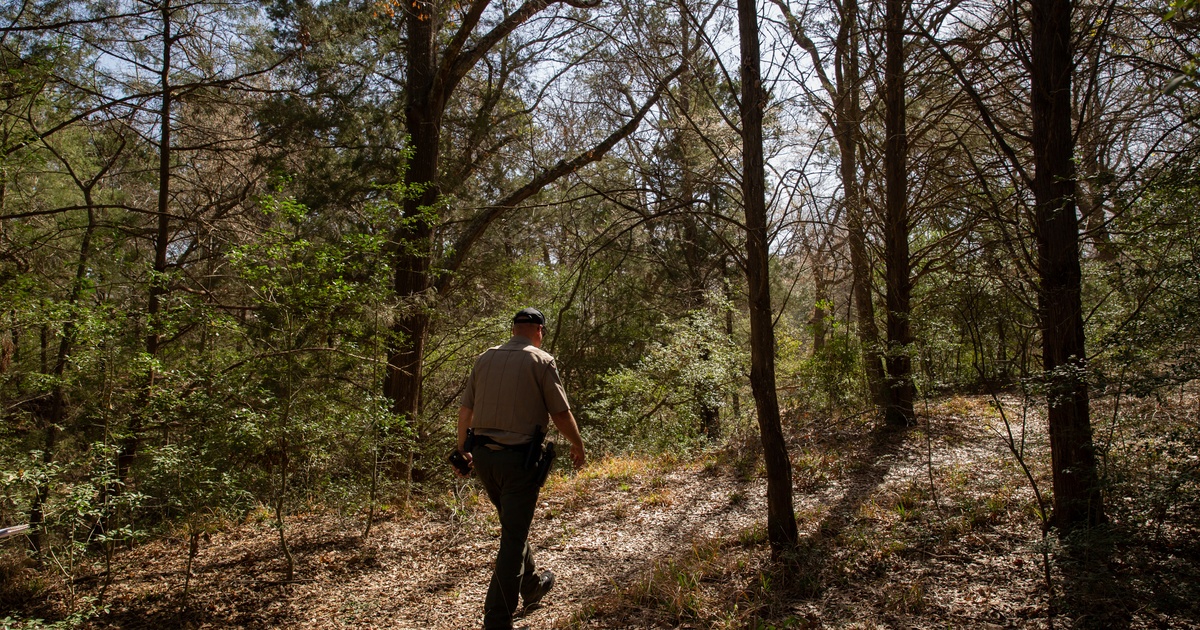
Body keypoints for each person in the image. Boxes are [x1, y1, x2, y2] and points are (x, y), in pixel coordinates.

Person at [457, 307, 587, 630]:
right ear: (538, 330)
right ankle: (497, 619)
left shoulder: (484, 358)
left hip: (485, 461)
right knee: (512, 540)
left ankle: (531, 586)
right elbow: (559, 413)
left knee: (513, 526)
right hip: (519, 462)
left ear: (514, 329)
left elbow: (466, 409)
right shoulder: (541, 361)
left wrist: (463, 451)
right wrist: (577, 444)